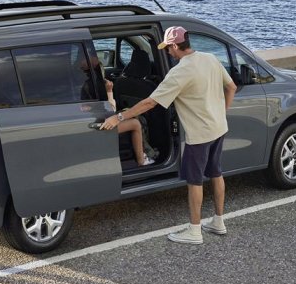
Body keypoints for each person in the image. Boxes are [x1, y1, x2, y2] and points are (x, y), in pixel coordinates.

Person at [101, 26, 236, 244]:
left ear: (175, 46)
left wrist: (119, 117)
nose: (168, 52)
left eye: (168, 48)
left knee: (195, 181)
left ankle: (194, 231)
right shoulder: (210, 58)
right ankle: (218, 222)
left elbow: (150, 103)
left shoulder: (180, 72)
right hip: (218, 127)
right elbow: (232, 87)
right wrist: (222, 113)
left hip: (199, 135)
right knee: (216, 173)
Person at [79, 54, 154, 167]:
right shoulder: (99, 86)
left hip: (93, 119)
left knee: (129, 113)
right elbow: (111, 110)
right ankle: (141, 160)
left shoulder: (86, 84)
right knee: (135, 123)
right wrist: (109, 91)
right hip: (97, 125)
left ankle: (144, 152)